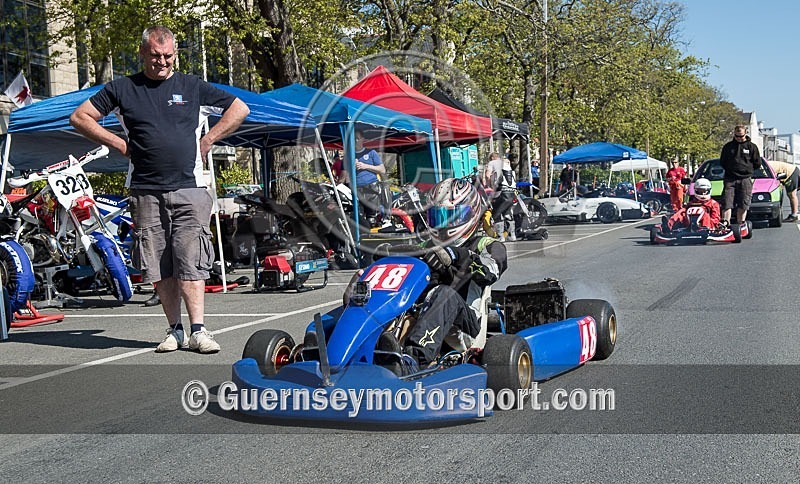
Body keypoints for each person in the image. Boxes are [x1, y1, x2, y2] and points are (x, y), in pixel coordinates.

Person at [69, 26, 249, 354]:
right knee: (159, 262)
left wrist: (209, 140)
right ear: (142, 54)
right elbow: (80, 117)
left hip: (190, 187)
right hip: (145, 189)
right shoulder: (123, 88)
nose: (161, 62)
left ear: (175, 55)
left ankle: (199, 331)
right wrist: (119, 144)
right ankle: (175, 330)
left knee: (189, 257)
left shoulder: (192, 87)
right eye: (155, 55)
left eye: (167, 56)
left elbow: (240, 108)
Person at [401, 178, 507, 371]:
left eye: (448, 217)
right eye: (437, 217)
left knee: (443, 294)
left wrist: (455, 256)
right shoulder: (427, 247)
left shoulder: (487, 245)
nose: (442, 225)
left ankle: (415, 362)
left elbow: (490, 271)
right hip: (422, 315)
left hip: (465, 328)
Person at [720, 125, 761, 225]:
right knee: (727, 202)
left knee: (743, 203)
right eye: (737, 136)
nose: (739, 138)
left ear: (745, 134)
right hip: (730, 179)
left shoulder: (752, 147)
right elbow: (723, 162)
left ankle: (740, 224)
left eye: (741, 136)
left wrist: (747, 170)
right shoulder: (728, 147)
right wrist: (731, 170)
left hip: (745, 178)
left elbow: (757, 163)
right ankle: (725, 223)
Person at [351, 129, 388, 227]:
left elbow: (382, 169)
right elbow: (345, 173)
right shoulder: (349, 155)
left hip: (371, 189)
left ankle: (375, 237)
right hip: (356, 189)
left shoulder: (371, 152)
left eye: (357, 138)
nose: (355, 141)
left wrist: (365, 166)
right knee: (358, 218)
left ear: (363, 139)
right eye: (353, 139)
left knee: (373, 216)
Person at [485, 152, 517, 242]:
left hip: (501, 192)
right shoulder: (506, 164)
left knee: (496, 213)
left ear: (492, 158)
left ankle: (500, 237)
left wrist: (488, 185)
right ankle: (512, 235)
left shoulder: (492, 163)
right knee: (508, 213)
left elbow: (487, 175)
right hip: (512, 192)